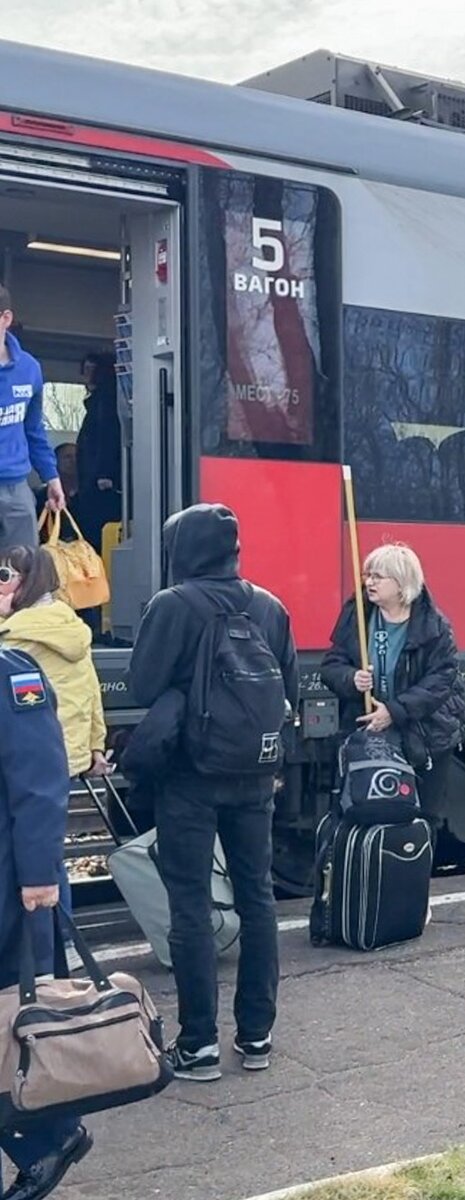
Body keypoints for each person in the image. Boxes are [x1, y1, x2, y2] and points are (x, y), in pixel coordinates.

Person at [128, 503, 297, 1082]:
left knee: (191, 906)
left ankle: (198, 1044)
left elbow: (143, 684)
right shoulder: (271, 607)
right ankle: (257, 1037)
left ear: (184, 550)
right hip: (254, 779)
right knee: (257, 900)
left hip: (189, 779)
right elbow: (289, 691)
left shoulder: (173, 605)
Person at [0, 643, 91, 1199]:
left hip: (10, 890)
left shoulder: (13, 676)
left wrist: (38, 874)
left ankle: (48, 1138)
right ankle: (46, 1138)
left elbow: (40, 780)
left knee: (15, 1025)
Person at [0, 545, 110, 938]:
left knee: (30, 855)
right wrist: (95, 744)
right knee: (49, 852)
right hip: (62, 753)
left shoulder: (15, 640)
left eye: (4, 576)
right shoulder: (71, 627)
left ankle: (48, 946)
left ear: (27, 584)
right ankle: (59, 941)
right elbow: (91, 689)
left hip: (28, 761)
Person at [321, 542, 465, 831]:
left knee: (424, 817)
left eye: (377, 576)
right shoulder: (357, 615)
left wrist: (394, 711)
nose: (368, 582)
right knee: (360, 809)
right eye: (367, 575)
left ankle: (415, 873)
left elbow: (441, 680)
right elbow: (331, 665)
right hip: (367, 732)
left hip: (424, 736)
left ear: (402, 583)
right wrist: (351, 678)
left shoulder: (435, 626)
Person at [0, 286, 64, 551]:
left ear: (5, 319)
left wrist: (52, 477)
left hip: (16, 488)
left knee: (25, 572)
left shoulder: (29, 369)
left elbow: (34, 430)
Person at [73, 353, 121, 554]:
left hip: (99, 481)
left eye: (91, 370)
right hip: (93, 478)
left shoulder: (106, 400)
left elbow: (107, 435)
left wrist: (104, 473)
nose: (87, 376)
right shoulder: (98, 401)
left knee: (95, 531)